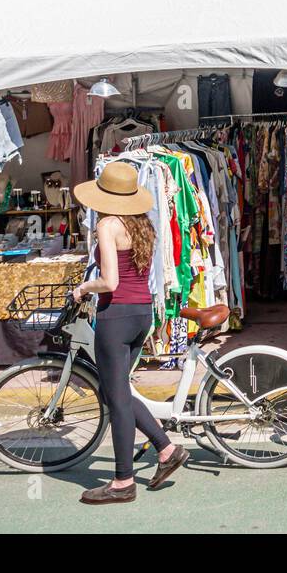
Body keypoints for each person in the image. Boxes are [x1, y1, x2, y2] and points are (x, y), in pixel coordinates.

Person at [71, 162, 188, 504]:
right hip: (141, 314)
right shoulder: (143, 225)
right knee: (117, 392)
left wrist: (83, 289)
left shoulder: (107, 225)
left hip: (116, 315)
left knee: (117, 398)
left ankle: (123, 482)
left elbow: (110, 281)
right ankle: (166, 450)